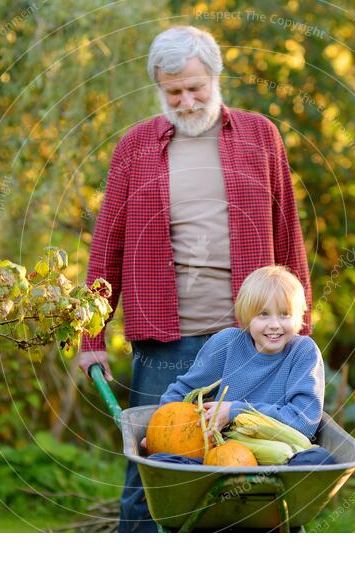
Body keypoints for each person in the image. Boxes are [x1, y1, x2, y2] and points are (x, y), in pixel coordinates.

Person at [77, 26, 313, 533]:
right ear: (158, 88)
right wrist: (91, 336)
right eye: (173, 91)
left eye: (195, 88)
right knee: (153, 471)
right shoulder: (135, 148)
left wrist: (300, 323)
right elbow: (107, 248)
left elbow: (287, 233)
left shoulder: (259, 136)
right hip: (166, 340)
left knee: (254, 465)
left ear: (215, 77)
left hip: (252, 338)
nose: (185, 101)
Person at [142, 266, 334, 472]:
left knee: (321, 460)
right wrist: (158, 432)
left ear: (299, 317)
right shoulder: (227, 344)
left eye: (285, 315)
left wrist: (235, 411)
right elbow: (184, 391)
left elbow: (304, 422)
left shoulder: (303, 352)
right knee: (164, 461)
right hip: (222, 453)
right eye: (263, 315)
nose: (275, 325)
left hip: (280, 457)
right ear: (246, 316)